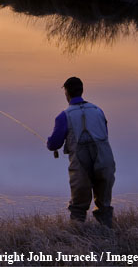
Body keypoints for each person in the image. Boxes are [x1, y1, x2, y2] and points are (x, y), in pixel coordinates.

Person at [47, 77, 116, 227]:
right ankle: (108, 239)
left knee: (78, 207)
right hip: (105, 160)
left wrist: (49, 142)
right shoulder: (98, 111)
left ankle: (77, 243)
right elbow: (105, 133)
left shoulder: (63, 116)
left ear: (67, 93)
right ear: (82, 90)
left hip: (80, 164)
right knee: (104, 205)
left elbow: (54, 144)